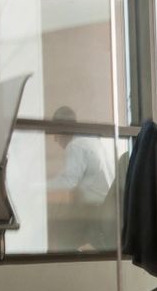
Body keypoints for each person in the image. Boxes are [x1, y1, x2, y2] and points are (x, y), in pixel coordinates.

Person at [47, 105, 116, 250]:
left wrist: (39, 187)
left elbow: (68, 182)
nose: (54, 139)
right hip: (108, 210)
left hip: (94, 213)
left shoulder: (76, 146)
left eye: (55, 133)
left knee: (55, 229)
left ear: (63, 129)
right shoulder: (93, 141)